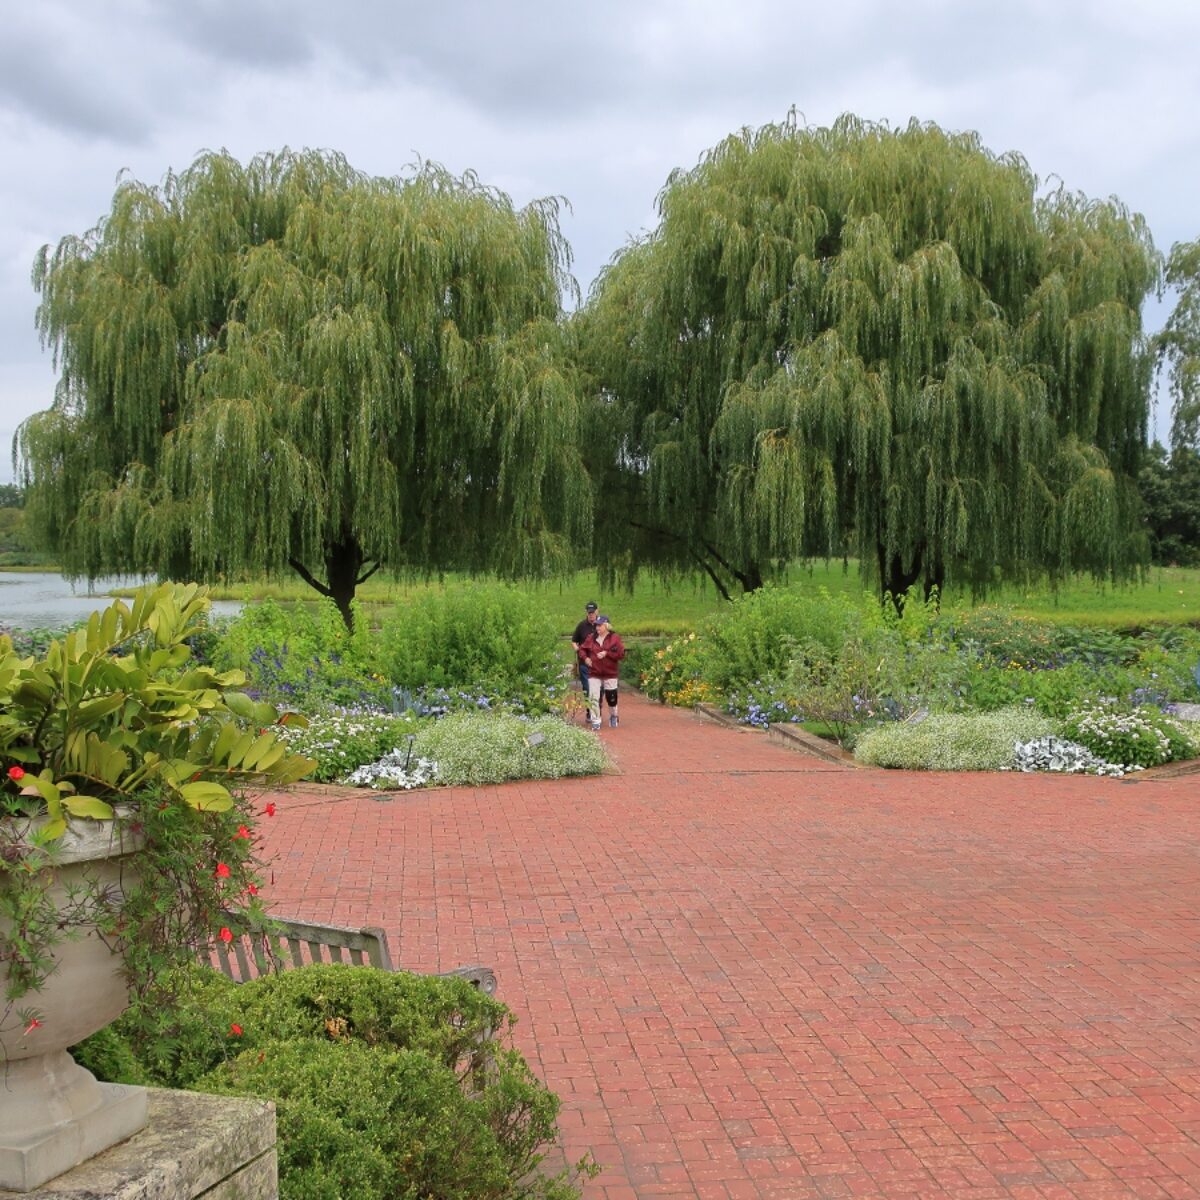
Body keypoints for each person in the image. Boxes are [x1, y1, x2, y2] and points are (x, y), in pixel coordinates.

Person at [579, 615, 625, 730]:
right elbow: (582, 649)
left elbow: (621, 654)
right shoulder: (591, 637)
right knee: (593, 697)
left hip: (610, 673)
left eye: (600, 625)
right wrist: (586, 658)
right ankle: (596, 720)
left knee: (611, 698)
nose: (597, 627)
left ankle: (613, 715)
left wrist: (607, 653)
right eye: (596, 625)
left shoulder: (615, 638)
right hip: (594, 672)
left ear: (606, 626)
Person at [571, 602, 600, 705]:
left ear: (597, 611)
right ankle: (589, 710)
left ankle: (597, 708)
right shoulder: (581, 625)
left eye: (593, 612)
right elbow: (574, 641)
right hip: (584, 662)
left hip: (599, 663)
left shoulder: (601, 625)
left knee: (600, 689)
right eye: (589, 613)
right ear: (586, 612)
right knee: (587, 687)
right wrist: (578, 650)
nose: (591, 615)